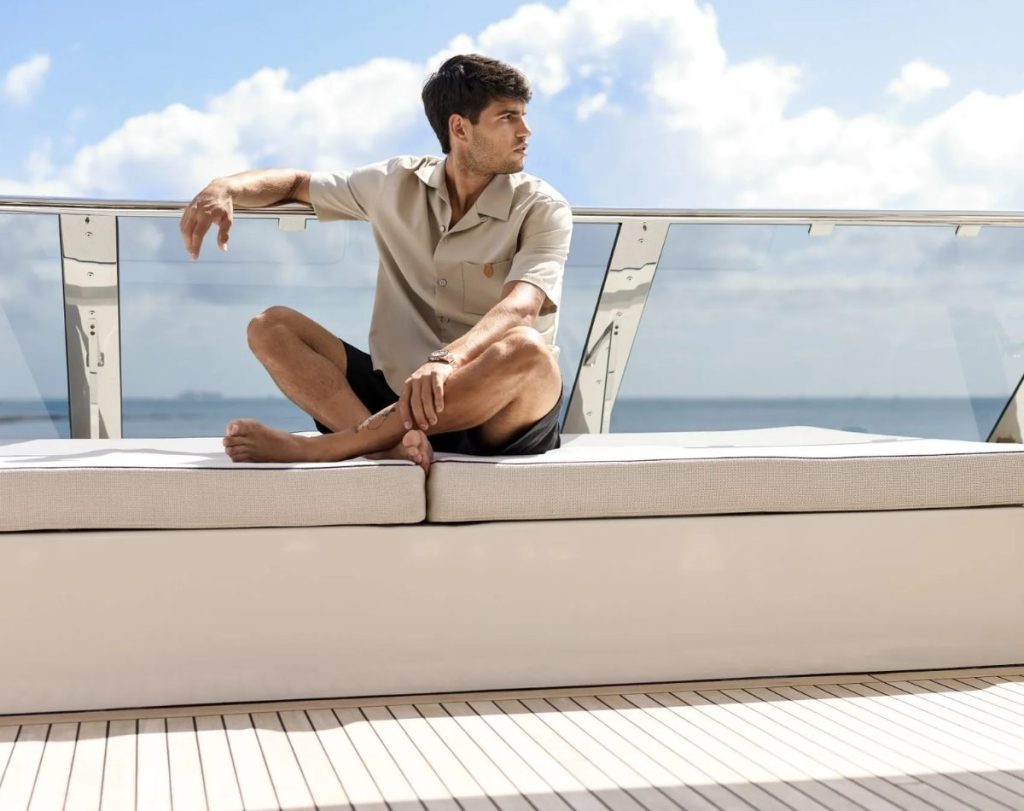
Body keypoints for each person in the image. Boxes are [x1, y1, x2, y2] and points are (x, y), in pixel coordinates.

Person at [179, 54, 571, 472]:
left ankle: (330, 447)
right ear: (460, 127)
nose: (525, 131)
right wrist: (224, 187)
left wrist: (446, 361)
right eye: (507, 117)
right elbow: (296, 184)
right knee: (269, 326)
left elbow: (521, 307)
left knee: (529, 350)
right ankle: (387, 447)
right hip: (399, 396)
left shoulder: (542, 207)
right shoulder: (392, 183)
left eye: (523, 116)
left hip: (496, 409)